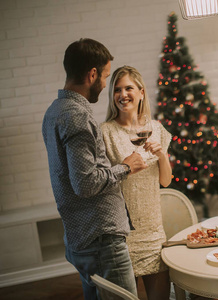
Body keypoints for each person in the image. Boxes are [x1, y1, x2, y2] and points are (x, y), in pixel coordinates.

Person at [42, 39, 147, 299]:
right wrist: (125, 167)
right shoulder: (77, 114)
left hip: (83, 237)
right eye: (105, 76)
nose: (104, 83)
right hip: (101, 240)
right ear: (92, 74)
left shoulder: (54, 111)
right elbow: (86, 183)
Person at [101, 66, 172, 300]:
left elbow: (165, 181)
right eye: (117, 90)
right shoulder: (105, 132)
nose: (123, 95)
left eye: (128, 88)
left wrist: (161, 155)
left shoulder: (157, 129)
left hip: (153, 230)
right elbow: (102, 179)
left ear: (141, 92)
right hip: (122, 233)